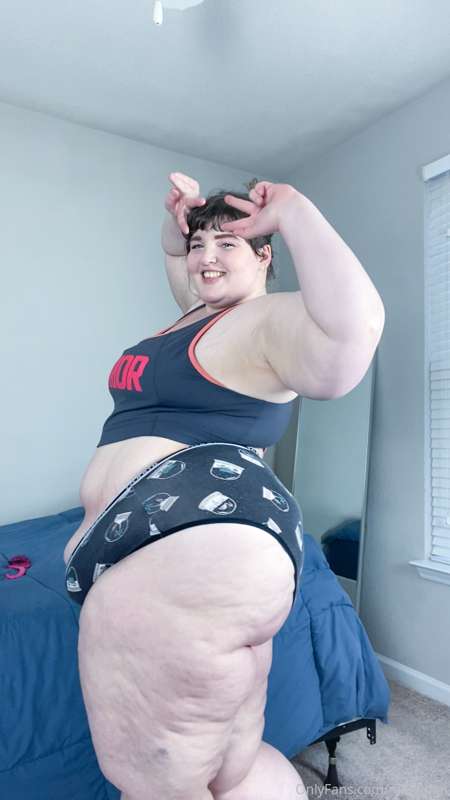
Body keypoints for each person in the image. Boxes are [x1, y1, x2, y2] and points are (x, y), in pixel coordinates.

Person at [63, 171, 384, 800]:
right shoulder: (196, 316)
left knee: (153, 780)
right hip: (194, 542)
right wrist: (177, 224)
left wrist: (296, 212)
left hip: (192, 542)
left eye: (228, 244)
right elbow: (177, 257)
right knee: (226, 766)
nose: (206, 258)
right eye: (199, 246)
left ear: (264, 255)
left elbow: (350, 338)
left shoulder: (265, 319)